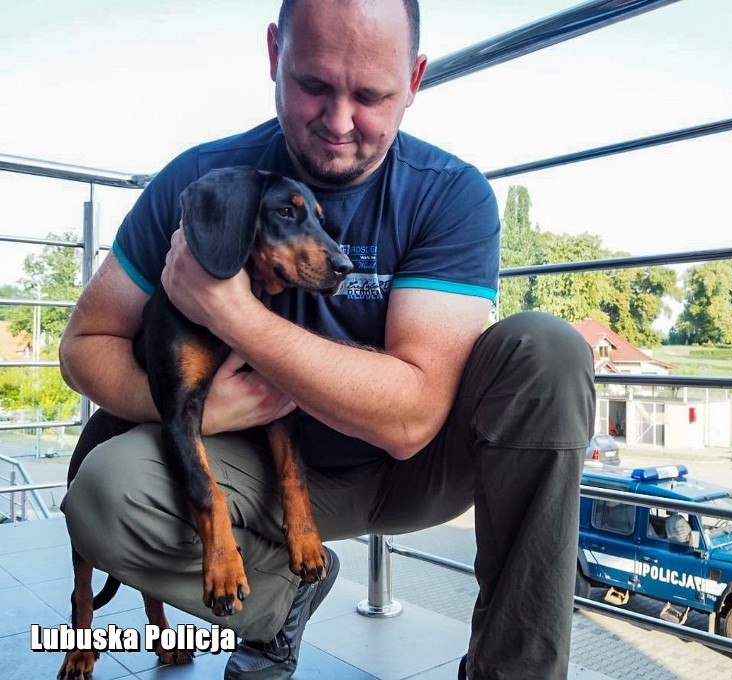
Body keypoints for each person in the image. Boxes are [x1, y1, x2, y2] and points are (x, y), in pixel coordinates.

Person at [58, 1, 596, 678]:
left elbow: (410, 420)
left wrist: (230, 312)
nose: (340, 122)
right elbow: (85, 343)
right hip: (251, 467)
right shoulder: (205, 187)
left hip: (416, 468)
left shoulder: (449, 194)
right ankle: (283, 599)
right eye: (314, 84)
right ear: (274, 56)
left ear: (416, 78)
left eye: (371, 95)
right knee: (106, 490)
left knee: (546, 349)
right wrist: (190, 410)